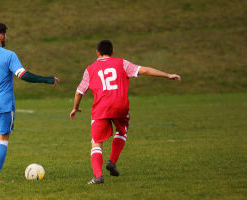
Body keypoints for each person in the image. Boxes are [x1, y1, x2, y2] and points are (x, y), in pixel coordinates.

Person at [70, 40, 181, 184]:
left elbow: (79, 92)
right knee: (121, 131)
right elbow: (145, 70)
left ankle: (98, 176)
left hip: (101, 108)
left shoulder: (90, 69)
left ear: (97, 52)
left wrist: (75, 107)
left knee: (96, 143)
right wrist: (167, 75)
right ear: (112, 52)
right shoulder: (121, 63)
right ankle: (112, 161)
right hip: (120, 106)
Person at [0, 22, 59, 183]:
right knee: (3, 140)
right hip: (4, 104)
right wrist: (47, 79)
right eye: (6, 34)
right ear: (1, 36)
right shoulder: (9, 55)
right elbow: (23, 75)